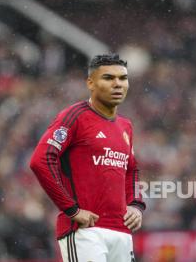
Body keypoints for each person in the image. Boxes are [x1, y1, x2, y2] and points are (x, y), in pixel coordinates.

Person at [30, 54, 145, 261]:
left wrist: (136, 204)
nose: (117, 84)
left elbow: (132, 169)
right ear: (90, 83)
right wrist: (72, 210)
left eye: (122, 78)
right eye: (108, 78)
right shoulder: (74, 116)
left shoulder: (125, 125)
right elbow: (40, 160)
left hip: (121, 232)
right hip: (86, 230)